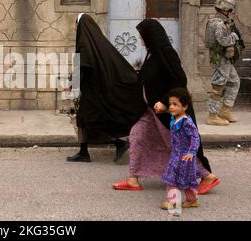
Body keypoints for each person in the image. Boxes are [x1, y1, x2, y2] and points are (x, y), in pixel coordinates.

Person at [112, 19, 220, 195]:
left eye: (142, 36)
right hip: (150, 111)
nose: (140, 39)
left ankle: (207, 176)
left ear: (151, 36)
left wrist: (164, 101)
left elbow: (180, 81)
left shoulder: (167, 54)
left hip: (167, 112)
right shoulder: (151, 54)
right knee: (137, 136)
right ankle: (133, 179)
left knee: (176, 145)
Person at [66, 14, 147, 163]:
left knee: (88, 120)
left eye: (76, 25)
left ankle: (115, 144)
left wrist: (73, 86)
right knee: (89, 120)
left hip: (92, 92)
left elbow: (82, 66)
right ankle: (88, 150)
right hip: (96, 91)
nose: (75, 28)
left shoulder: (84, 44)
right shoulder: (99, 42)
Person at [161, 88, 202, 210]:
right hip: (176, 155)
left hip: (184, 156)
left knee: (172, 179)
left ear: (184, 107)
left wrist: (192, 152)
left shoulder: (186, 122)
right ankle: (192, 200)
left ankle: (172, 202)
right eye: (170, 104)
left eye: (175, 104)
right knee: (185, 179)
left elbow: (195, 137)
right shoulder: (176, 118)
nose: (171, 107)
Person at [205, 0, 244, 126]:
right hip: (220, 59)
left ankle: (225, 110)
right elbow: (223, 41)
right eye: (230, 10)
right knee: (218, 87)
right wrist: (234, 37)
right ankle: (212, 116)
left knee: (234, 82)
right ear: (226, 9)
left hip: (223, 59)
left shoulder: (214, 21)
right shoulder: (219, 24)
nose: (231, 12)